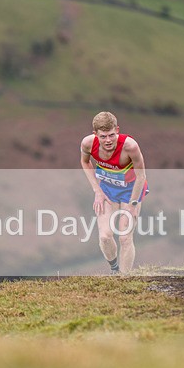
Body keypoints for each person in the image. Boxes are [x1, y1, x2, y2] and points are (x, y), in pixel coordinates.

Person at [80, 111, 147, 274]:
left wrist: (133, 204)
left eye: (111, 135)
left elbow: (141, 176)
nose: (108, 140)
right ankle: (115, 270)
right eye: (103, 136)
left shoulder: (130, 146)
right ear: (95, 134)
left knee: (125, 237)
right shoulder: (88, 144)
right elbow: (85, 162)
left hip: (130, 191)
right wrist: (97, 191)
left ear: (117, 130)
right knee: (105, 236)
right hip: (107, 190)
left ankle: (124, 279)